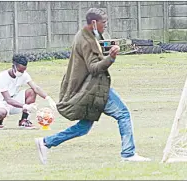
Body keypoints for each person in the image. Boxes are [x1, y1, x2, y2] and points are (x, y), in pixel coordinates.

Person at [35, 8, 151, 164]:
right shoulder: (87, 41)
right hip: (95, 89)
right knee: (123, 114)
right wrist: (111, 57)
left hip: (89, 89)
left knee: (83, 127)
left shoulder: (83, 35)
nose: (106, 26)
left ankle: (46, 142)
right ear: (94, 23)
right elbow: (94, 68)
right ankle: (128, 153)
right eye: (104, 23)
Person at [0, 55, 57, 129]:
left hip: (15, 99)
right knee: (1, 112)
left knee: (32, 91)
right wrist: (25, 106)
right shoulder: (2, 77)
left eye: (23, 70)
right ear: (13, 66)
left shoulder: (24, 75)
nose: (21, 73)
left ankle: (24, 120)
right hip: (1, 102)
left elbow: (36, 88)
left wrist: (48, 98)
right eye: (20, 70)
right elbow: (8, 99)